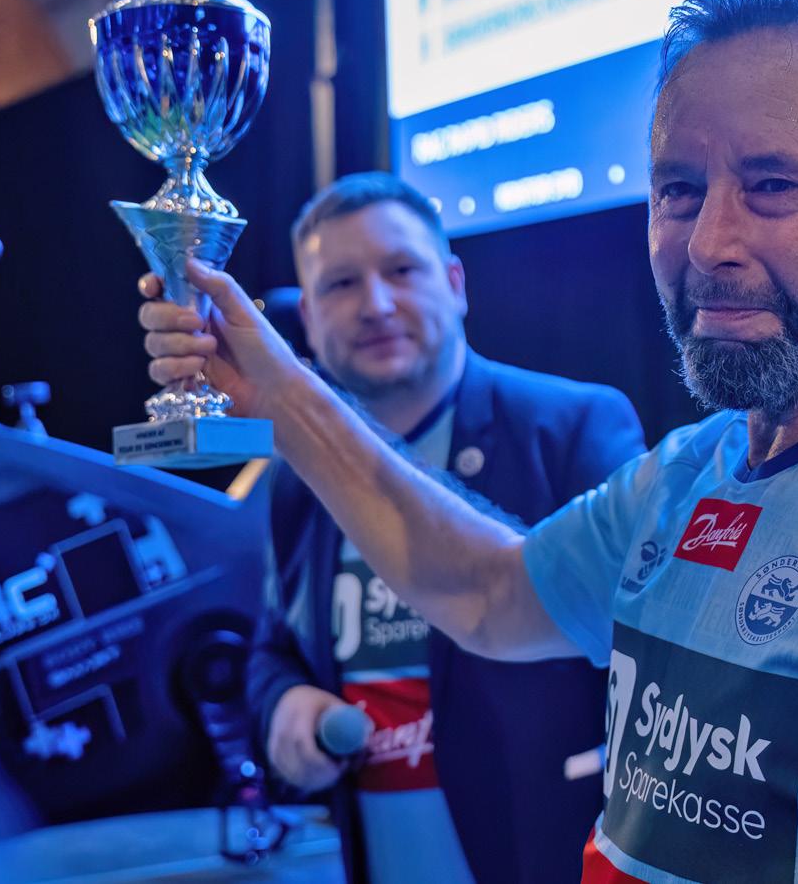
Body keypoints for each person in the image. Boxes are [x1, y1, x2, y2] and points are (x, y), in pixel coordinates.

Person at [140, 0, 798, 882]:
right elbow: (487, 592)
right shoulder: (687, 472)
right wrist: (282, 394)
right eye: (679, 189)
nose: (709, 242)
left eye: (772, 185)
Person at [183, 173, 645, 884]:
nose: (375, 304)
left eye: (401, 270)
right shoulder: (295, 477)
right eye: (340, 284)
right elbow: (274, 648)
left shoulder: (572, 426)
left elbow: (642, 649)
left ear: (455, 283)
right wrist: (284, 708)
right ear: (307, 317)